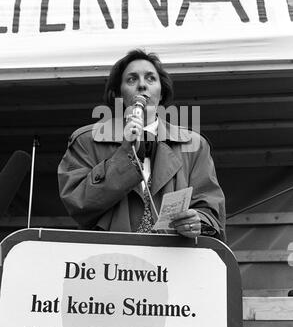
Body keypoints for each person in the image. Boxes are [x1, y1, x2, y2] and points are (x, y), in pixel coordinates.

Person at [58, 49, 225, 240]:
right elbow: (78, 204)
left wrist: (198, 222)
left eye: (151, 79)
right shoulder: (87, 141)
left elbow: (211, 209)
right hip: (111, 262)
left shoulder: (194, 145)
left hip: (173, 263)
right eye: (131, 79)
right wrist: (124, 154)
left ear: (161, 92)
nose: (142, 85)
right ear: (118, 94)